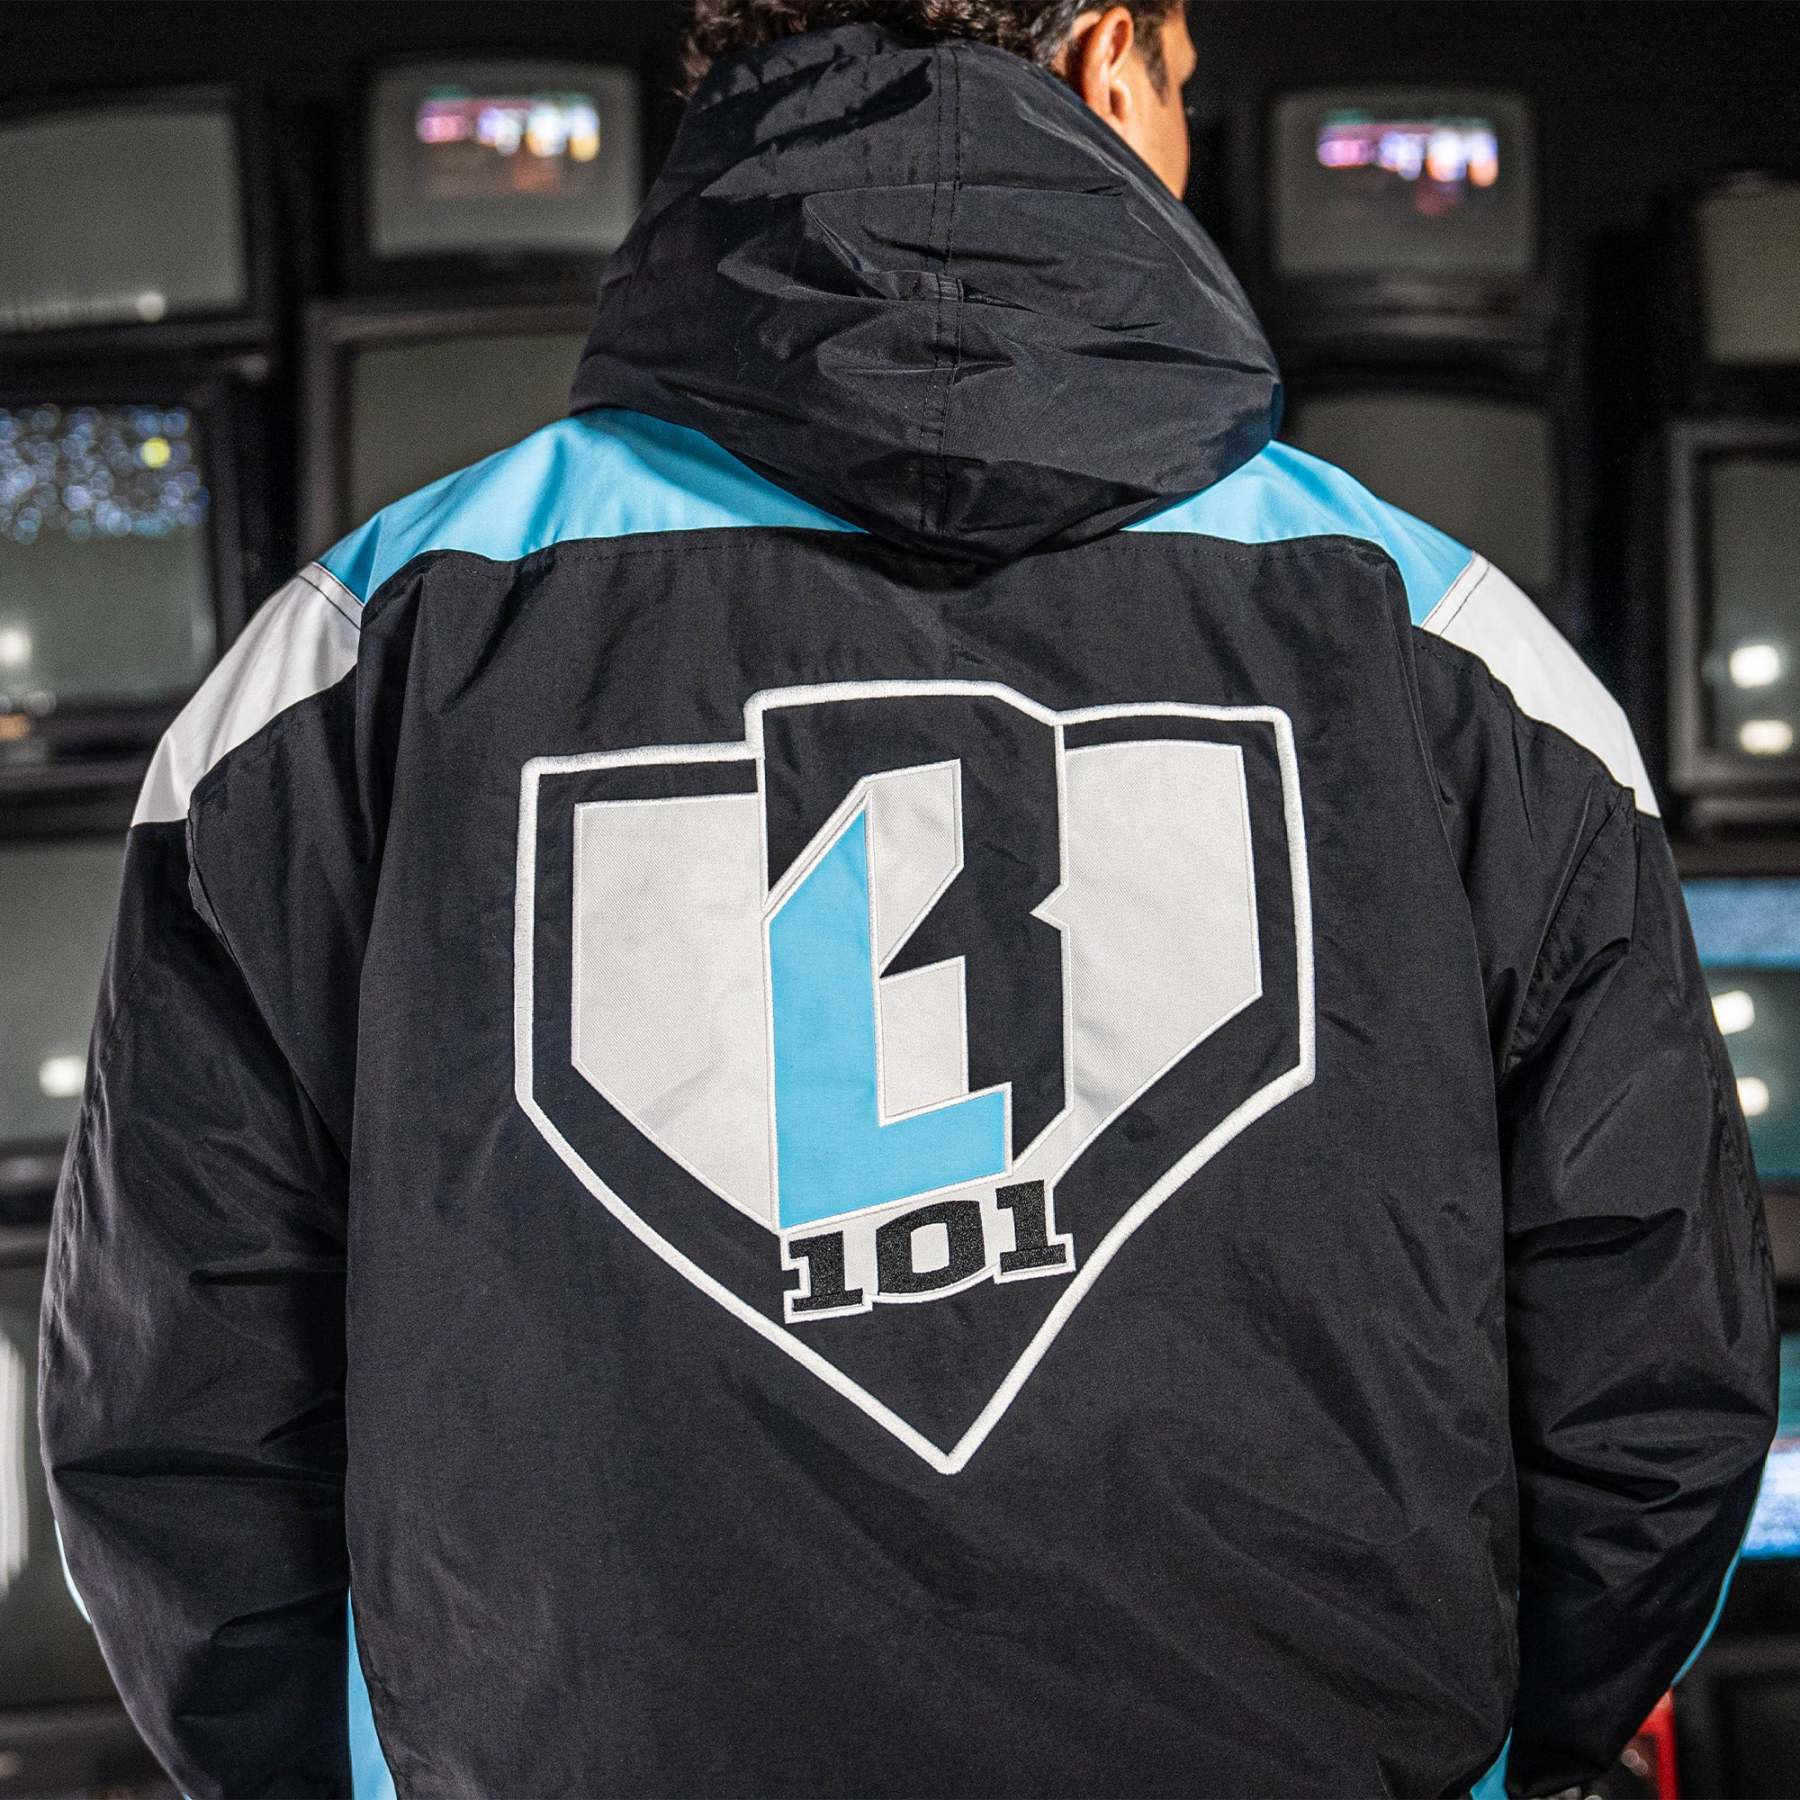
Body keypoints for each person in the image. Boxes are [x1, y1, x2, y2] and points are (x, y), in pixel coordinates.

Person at [39, 3, 1776, 1796]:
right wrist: (1488, 1753)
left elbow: (179, 1419)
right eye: (1183, 89)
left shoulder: (348, 663)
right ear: (1112, 57)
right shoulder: (1459, 659)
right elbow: (1652, 1388)